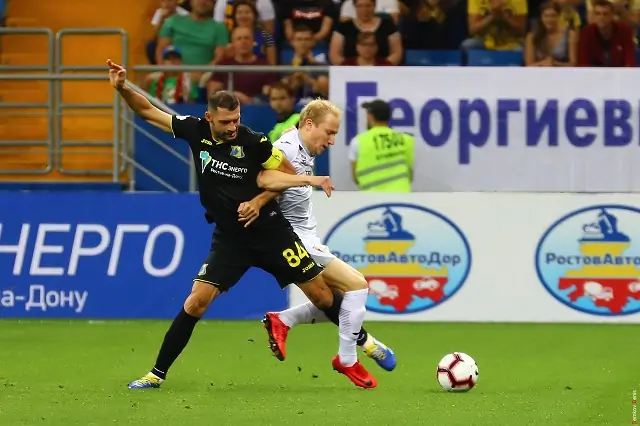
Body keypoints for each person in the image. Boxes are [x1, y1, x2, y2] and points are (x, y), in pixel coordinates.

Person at [105, 59, 375, 389]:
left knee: (321, 295)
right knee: (196, 301)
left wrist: (299, 183)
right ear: (209, 119)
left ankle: (359, 349)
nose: (233, 127)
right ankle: (155, 374)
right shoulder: (194, 130)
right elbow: (148, 112)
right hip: (232, 237)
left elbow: (279, 173)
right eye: (226, 122)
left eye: (236, 119)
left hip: (272, 233)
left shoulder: (253, 142)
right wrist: (123, 88)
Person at [257, 100, 397, 379]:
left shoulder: (302, 146)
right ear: (309, 124)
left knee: (334, 299)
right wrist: (257, 204)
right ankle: (347, 358)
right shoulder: (286, 149)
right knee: (358, 286)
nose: (332, 141)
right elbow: (264, 180)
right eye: (329, 133)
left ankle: (283, 319)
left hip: (305, 235)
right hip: (293, 237)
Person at [348, 99, 414, 192]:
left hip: (371, 198)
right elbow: (410, 176)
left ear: (371, 116)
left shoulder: (358, 142)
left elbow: (356, 178)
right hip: (401, 196)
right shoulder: (406, 140)